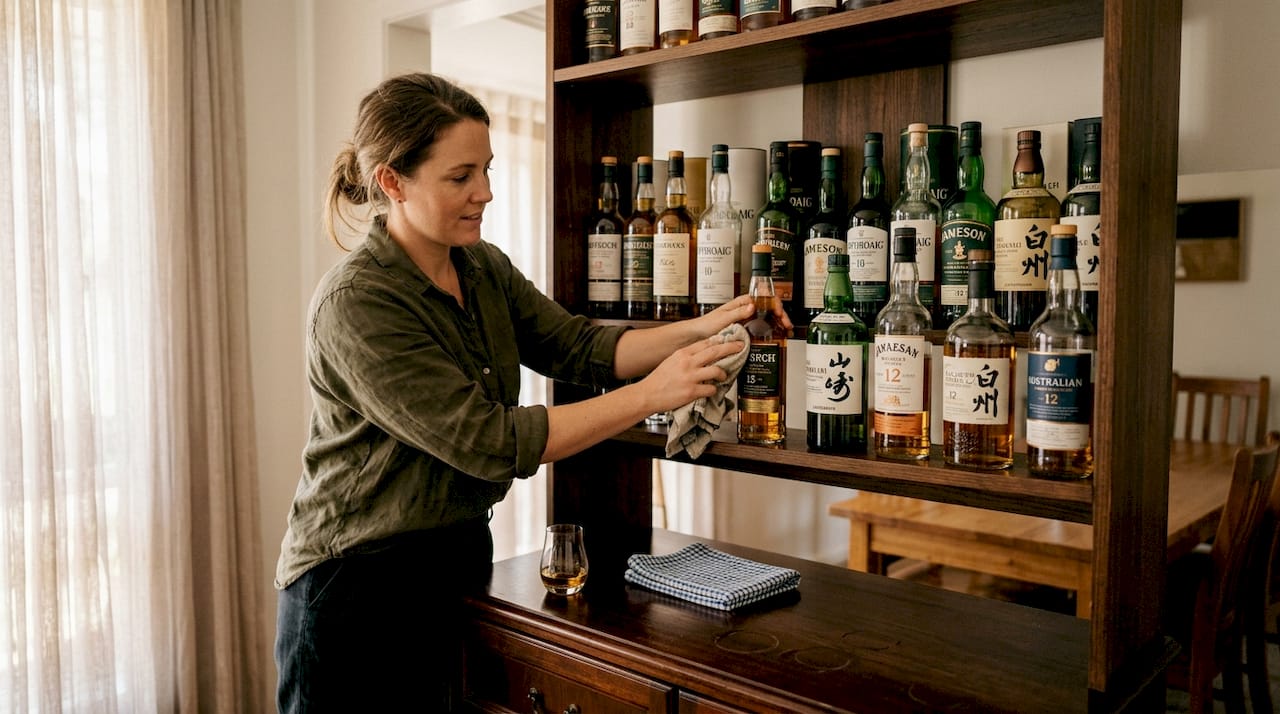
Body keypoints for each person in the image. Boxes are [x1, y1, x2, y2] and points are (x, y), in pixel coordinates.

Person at [274, 72, 785, 713]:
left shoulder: (483, 267)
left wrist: (705, 326)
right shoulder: (359, 302)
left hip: (457, 561)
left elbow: (581, 346)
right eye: (460, 177)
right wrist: (655, 393)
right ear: (393, 182)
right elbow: (491, 441)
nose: (484, 193)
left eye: (486, 170)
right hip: (359, 588)